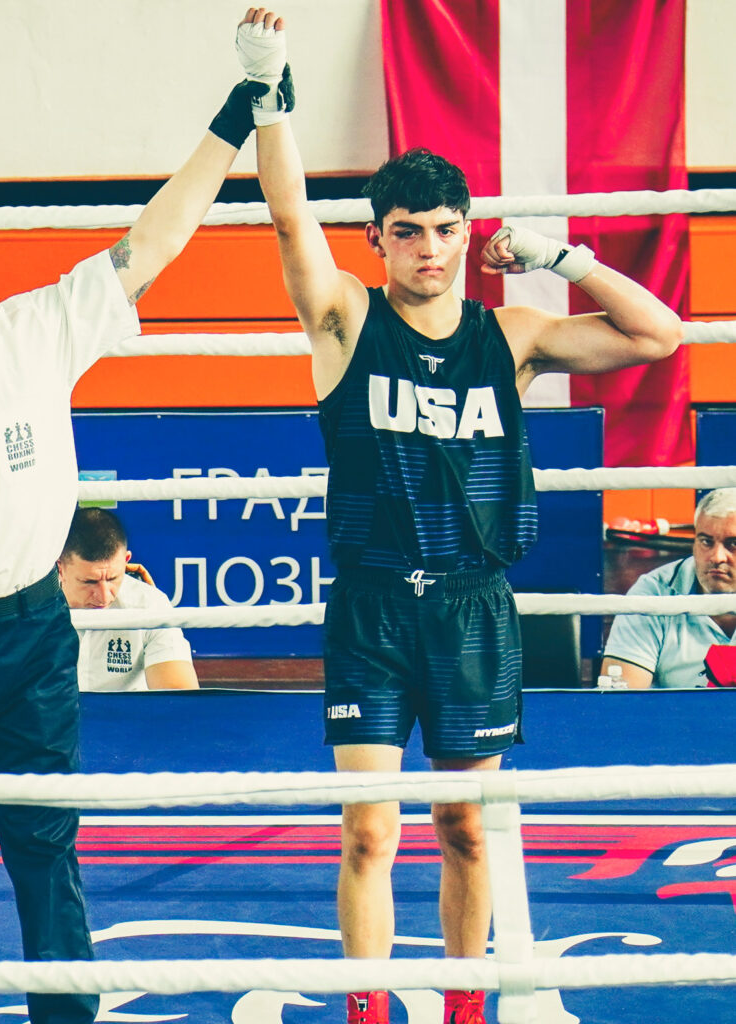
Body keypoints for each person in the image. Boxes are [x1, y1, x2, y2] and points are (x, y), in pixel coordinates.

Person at [238, 8, 683, 1023]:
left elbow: (657, 336)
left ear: (469, 231)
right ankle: (365, 1008)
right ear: (378, 239)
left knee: (466, 828)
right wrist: (269, 101)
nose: (429, 249)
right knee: (368, 830)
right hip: (372, 606)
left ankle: (464, 1006)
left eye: (446, 229)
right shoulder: (346, 320)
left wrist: (562, 256)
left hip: (473, 608)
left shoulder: (511, 336)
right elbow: (290, 221)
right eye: (408, 231)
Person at [0, 63, 268, 1024]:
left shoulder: (42, 328)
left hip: (32, 629)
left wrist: (237, 113)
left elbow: (155, 239)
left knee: (44, 846)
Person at [601, 488, 736, 688]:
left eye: (733, 544)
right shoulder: (653, 593)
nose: (717, 557)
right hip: (674, 710)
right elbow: (623, 699)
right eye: (706, 542)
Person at [58, 507, 198, 691]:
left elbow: (177, 696)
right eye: (90, 581)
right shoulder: (32, 605)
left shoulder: (149, 604)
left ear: (126, 560)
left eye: (113, 578)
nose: (104, 596)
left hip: (126, 711)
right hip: (53, 710)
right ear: (60, 568)